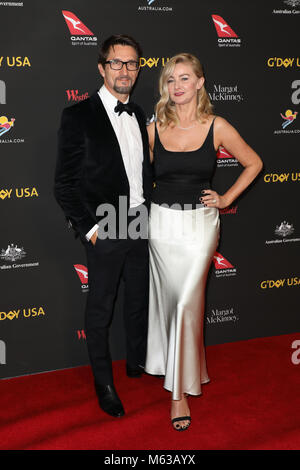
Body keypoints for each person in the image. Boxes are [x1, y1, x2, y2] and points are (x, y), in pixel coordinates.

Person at [144, 53, 263, 431]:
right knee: (172, 303)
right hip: (162, 225)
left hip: (200, 226)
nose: (176, 86)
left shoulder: (218, 126)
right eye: (170, 81)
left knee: (185, 302)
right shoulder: (154, 127)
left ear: (199, 83)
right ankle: (179, 370)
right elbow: (136, 174)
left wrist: (227, 199)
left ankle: (179, 393)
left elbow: (254, 162)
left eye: (184, 79)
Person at [54, 35, 153, 418]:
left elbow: (140, 172)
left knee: (137, 299)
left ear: (138, 69)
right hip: (106, 226)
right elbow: (63, 184)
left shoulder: (140, 111)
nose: (124, 70)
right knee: (101, 308)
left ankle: (135, 361)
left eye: (131, 63)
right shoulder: (78, 115)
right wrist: (90, 229)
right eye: (116, 63)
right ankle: (103, 382)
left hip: (141, 220)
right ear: (101, 67)